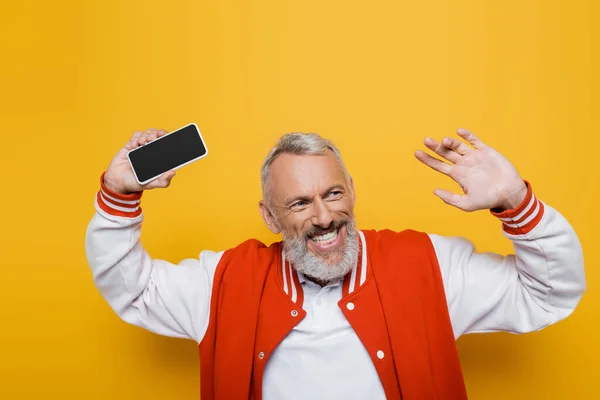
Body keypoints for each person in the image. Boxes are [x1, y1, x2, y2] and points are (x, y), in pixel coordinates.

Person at [85, 127, 585, 400]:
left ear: (351, 194)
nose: (324, 216)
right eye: (300, 203)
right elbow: (133, 291)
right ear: (270, 216)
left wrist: (516, 202)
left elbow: (548, 294)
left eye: (333, 193)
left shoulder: (430, 265)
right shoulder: (223, 281)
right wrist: (119, 194)